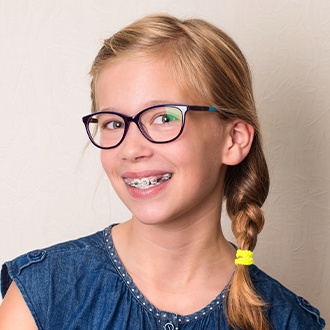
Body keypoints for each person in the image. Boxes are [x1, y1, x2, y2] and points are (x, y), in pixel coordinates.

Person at [0, 14, 325, 330]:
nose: (131, 149)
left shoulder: (288, 321)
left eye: (164, 118)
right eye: (114, 123)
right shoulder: (42, 295)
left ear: (233, 140)